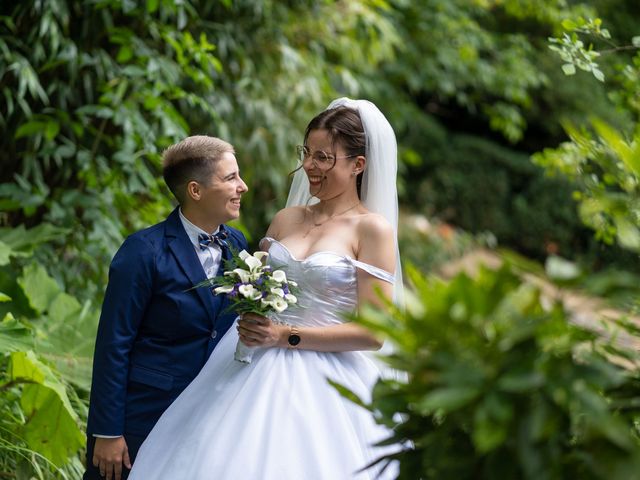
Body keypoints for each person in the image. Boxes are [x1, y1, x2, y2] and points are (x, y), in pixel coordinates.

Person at [128, 98, 404, 479]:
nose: (309, 166)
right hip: (247, 362)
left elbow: (375, 333)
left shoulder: (372, 230)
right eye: (307, 153)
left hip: (324, 381)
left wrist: (284, 335)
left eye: (324, 158)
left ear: (358, 165)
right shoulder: (286, 218)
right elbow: (251, 283)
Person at [84, 135, 249, 480]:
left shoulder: (236, 244)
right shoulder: (142, 252)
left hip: (211, 414)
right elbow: (114, 344)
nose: (242, 187)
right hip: (145, 414)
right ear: (195, 190)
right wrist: (108, 431)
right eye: (230, 178)